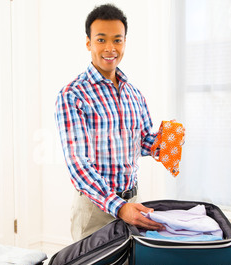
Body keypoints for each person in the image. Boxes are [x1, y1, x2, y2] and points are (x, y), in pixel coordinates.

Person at [55, 4, 164, 241]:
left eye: (117, 40)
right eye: (101, 40)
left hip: (133, 204)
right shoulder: (72, 95)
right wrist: (118, 207)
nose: (110, 48)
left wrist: (166, 143)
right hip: (96, 210)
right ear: (88, 43)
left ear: (125, 42)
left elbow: (144, 142)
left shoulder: (135, 94)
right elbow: (78, 165)